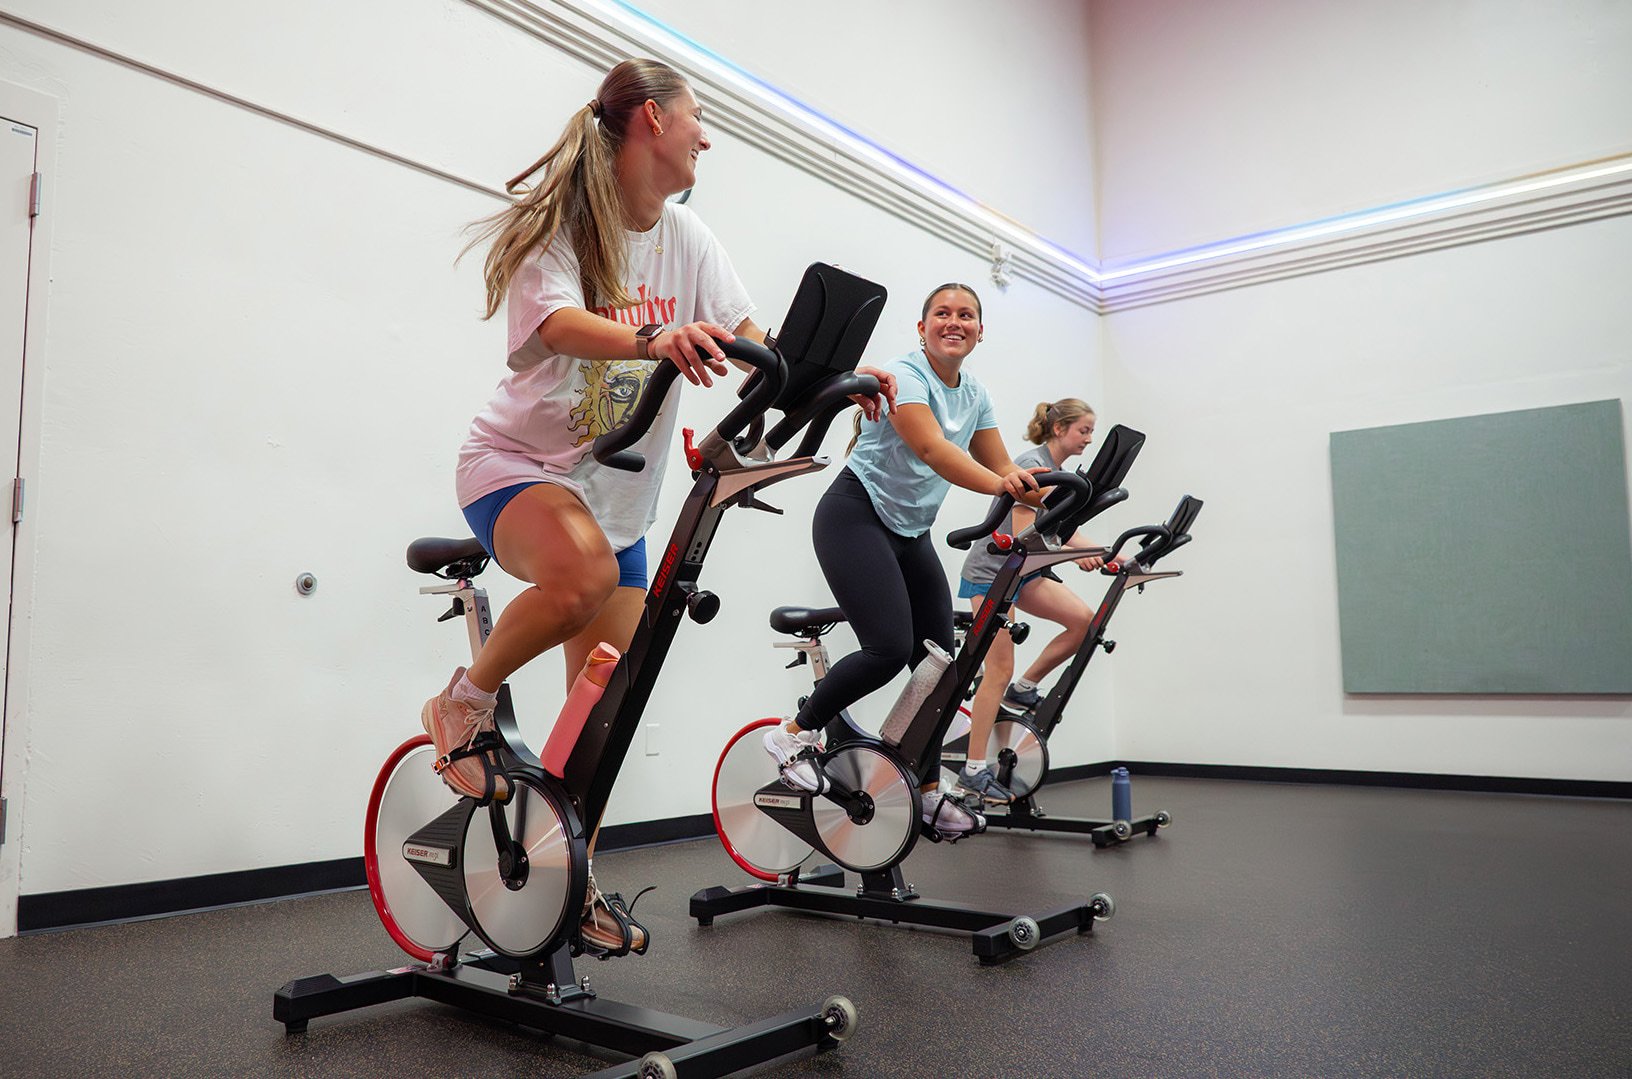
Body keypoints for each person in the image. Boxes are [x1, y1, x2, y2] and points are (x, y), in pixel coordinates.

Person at [417, 57, 894, 956]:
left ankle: (566, 883)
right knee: (581, 573)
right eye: (697, 118)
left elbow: (761, 349)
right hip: (516, 467)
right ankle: (462, 702)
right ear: (649, 120)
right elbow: (553, 324)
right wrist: (651, 335)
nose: (706, 136)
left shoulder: (690, 238)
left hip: (621, 508)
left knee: (605, 713)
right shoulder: (568, 224)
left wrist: (845, 380)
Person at [762, 283, 1042, 834]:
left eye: (966, 315)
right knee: (888, 649)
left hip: (911, 532)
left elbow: (1002, 463)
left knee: (942, 671)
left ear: (980, 332)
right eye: (942, 314)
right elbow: (933, 450)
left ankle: (929, 789)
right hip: (854, 515)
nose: (953, 322)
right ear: (923, 327)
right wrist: (1008, 487)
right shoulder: (906, 373)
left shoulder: (975, 393)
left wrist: (1043, 493)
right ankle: (794, 733)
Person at [954, 398, 1105, 804]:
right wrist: (1075, 553)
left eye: (1091, 432)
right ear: (1060, 429)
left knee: (1084, 622)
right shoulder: (1031, 464)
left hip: (1023, 574)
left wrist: (1109, 553)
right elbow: (1027, 537)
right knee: (997, 669)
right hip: (992, 575)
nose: (1089, 439)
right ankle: (972, 772)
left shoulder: (1061, 473)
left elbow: (1053, 531)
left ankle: (1024, 689)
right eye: (1084, 431)